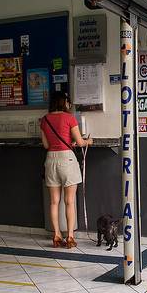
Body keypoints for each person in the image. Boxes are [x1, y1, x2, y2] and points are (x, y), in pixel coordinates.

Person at [40, 91, 93, 249]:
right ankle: (70, 237)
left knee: (54, 202)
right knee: (69, 201)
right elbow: (80, 142)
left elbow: (46, 145)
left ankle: (56, 235)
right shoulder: (69, 118)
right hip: (67, 159)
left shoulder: (44, 120)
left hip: (50, 160)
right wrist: (88, 141)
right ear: (64, 103)